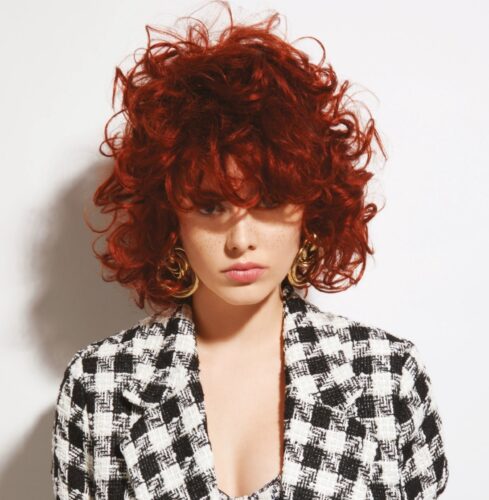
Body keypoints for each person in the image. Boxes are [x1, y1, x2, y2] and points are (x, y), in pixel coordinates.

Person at [50, 2, 449, 499]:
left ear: (310, 209)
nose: (241, 239)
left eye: (268, 201)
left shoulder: (386, 377)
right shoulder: (100, 384)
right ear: (171, 220)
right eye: (211, 206)